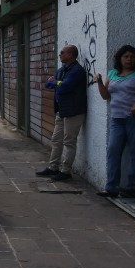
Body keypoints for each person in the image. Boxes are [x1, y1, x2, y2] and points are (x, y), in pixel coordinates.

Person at [94, 45, 135, 198]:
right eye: (126, 56)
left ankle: (132, 188)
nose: (129, 59)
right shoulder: (113, 73)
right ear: (120, 58)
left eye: (132, 57)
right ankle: (111, 187)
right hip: (117, 119)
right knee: (113, 151)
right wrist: (100, 82)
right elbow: (106, 96)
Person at [35, 45, 88, 182]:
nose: (60, 55)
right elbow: (49, 83)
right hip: (61, 110)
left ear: (70, 54)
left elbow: (64, 86)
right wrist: (55, 82)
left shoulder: (77, 71)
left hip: (73, 111)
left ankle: (66, 171)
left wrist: (56, 82)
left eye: (62, 53)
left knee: (69, 141)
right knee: (56, 139)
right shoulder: (63, 70)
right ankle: (53, 167)